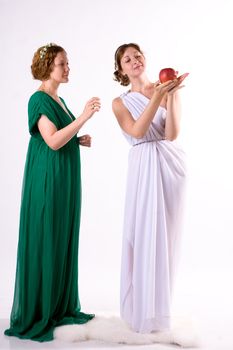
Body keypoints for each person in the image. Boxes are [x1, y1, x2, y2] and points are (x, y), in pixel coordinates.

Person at [4, 43, 101, 342]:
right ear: (48, 67)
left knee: (61, 236)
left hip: (65, 177)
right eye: (63, 63)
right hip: (48, 179)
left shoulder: (59, 99)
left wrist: (78, 139)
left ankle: (59, 306)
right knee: (47, 235)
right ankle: (41, 310)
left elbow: (63, 136)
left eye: (67, 63)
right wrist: (83, 117)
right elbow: (53, 142)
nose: (68, 67)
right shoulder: (39, 100)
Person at [112, 43, 188, 333]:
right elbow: (137, 131)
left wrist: (172, 94)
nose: (134, 61)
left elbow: (171, 134)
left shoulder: (166, 88)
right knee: (141, 233)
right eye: (127, 59)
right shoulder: (119, 102)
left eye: (137, 55)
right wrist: (156, 96)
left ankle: (159, 311)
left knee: (166, 238)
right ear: (120, 69)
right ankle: (140, 310)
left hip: (170, 165)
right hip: (142, 166)